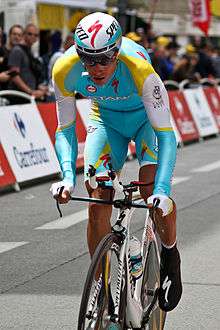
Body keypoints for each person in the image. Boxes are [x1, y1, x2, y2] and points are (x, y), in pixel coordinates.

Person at [50, 12, 182, 312]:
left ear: (118, 50)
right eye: (88, 59)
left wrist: (162, 188)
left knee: (151, 193)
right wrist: (67, 177)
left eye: (104, 58)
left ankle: (171, 257)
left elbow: (167, 135)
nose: (96, 67)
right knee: (97, 203)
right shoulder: (65, 69)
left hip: (146, 122)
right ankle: (101, 290)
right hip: (106, 122)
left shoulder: (140, 69)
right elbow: (65, 130)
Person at [7, 23, 47, 102]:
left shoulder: (29, 51)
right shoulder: (17, 50)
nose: (33, 37)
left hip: (27, 97)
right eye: (29, 34)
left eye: (36, 35)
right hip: (18, 97)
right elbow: (14, 75)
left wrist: (38, 88)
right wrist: (31, 92)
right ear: (24, 34)